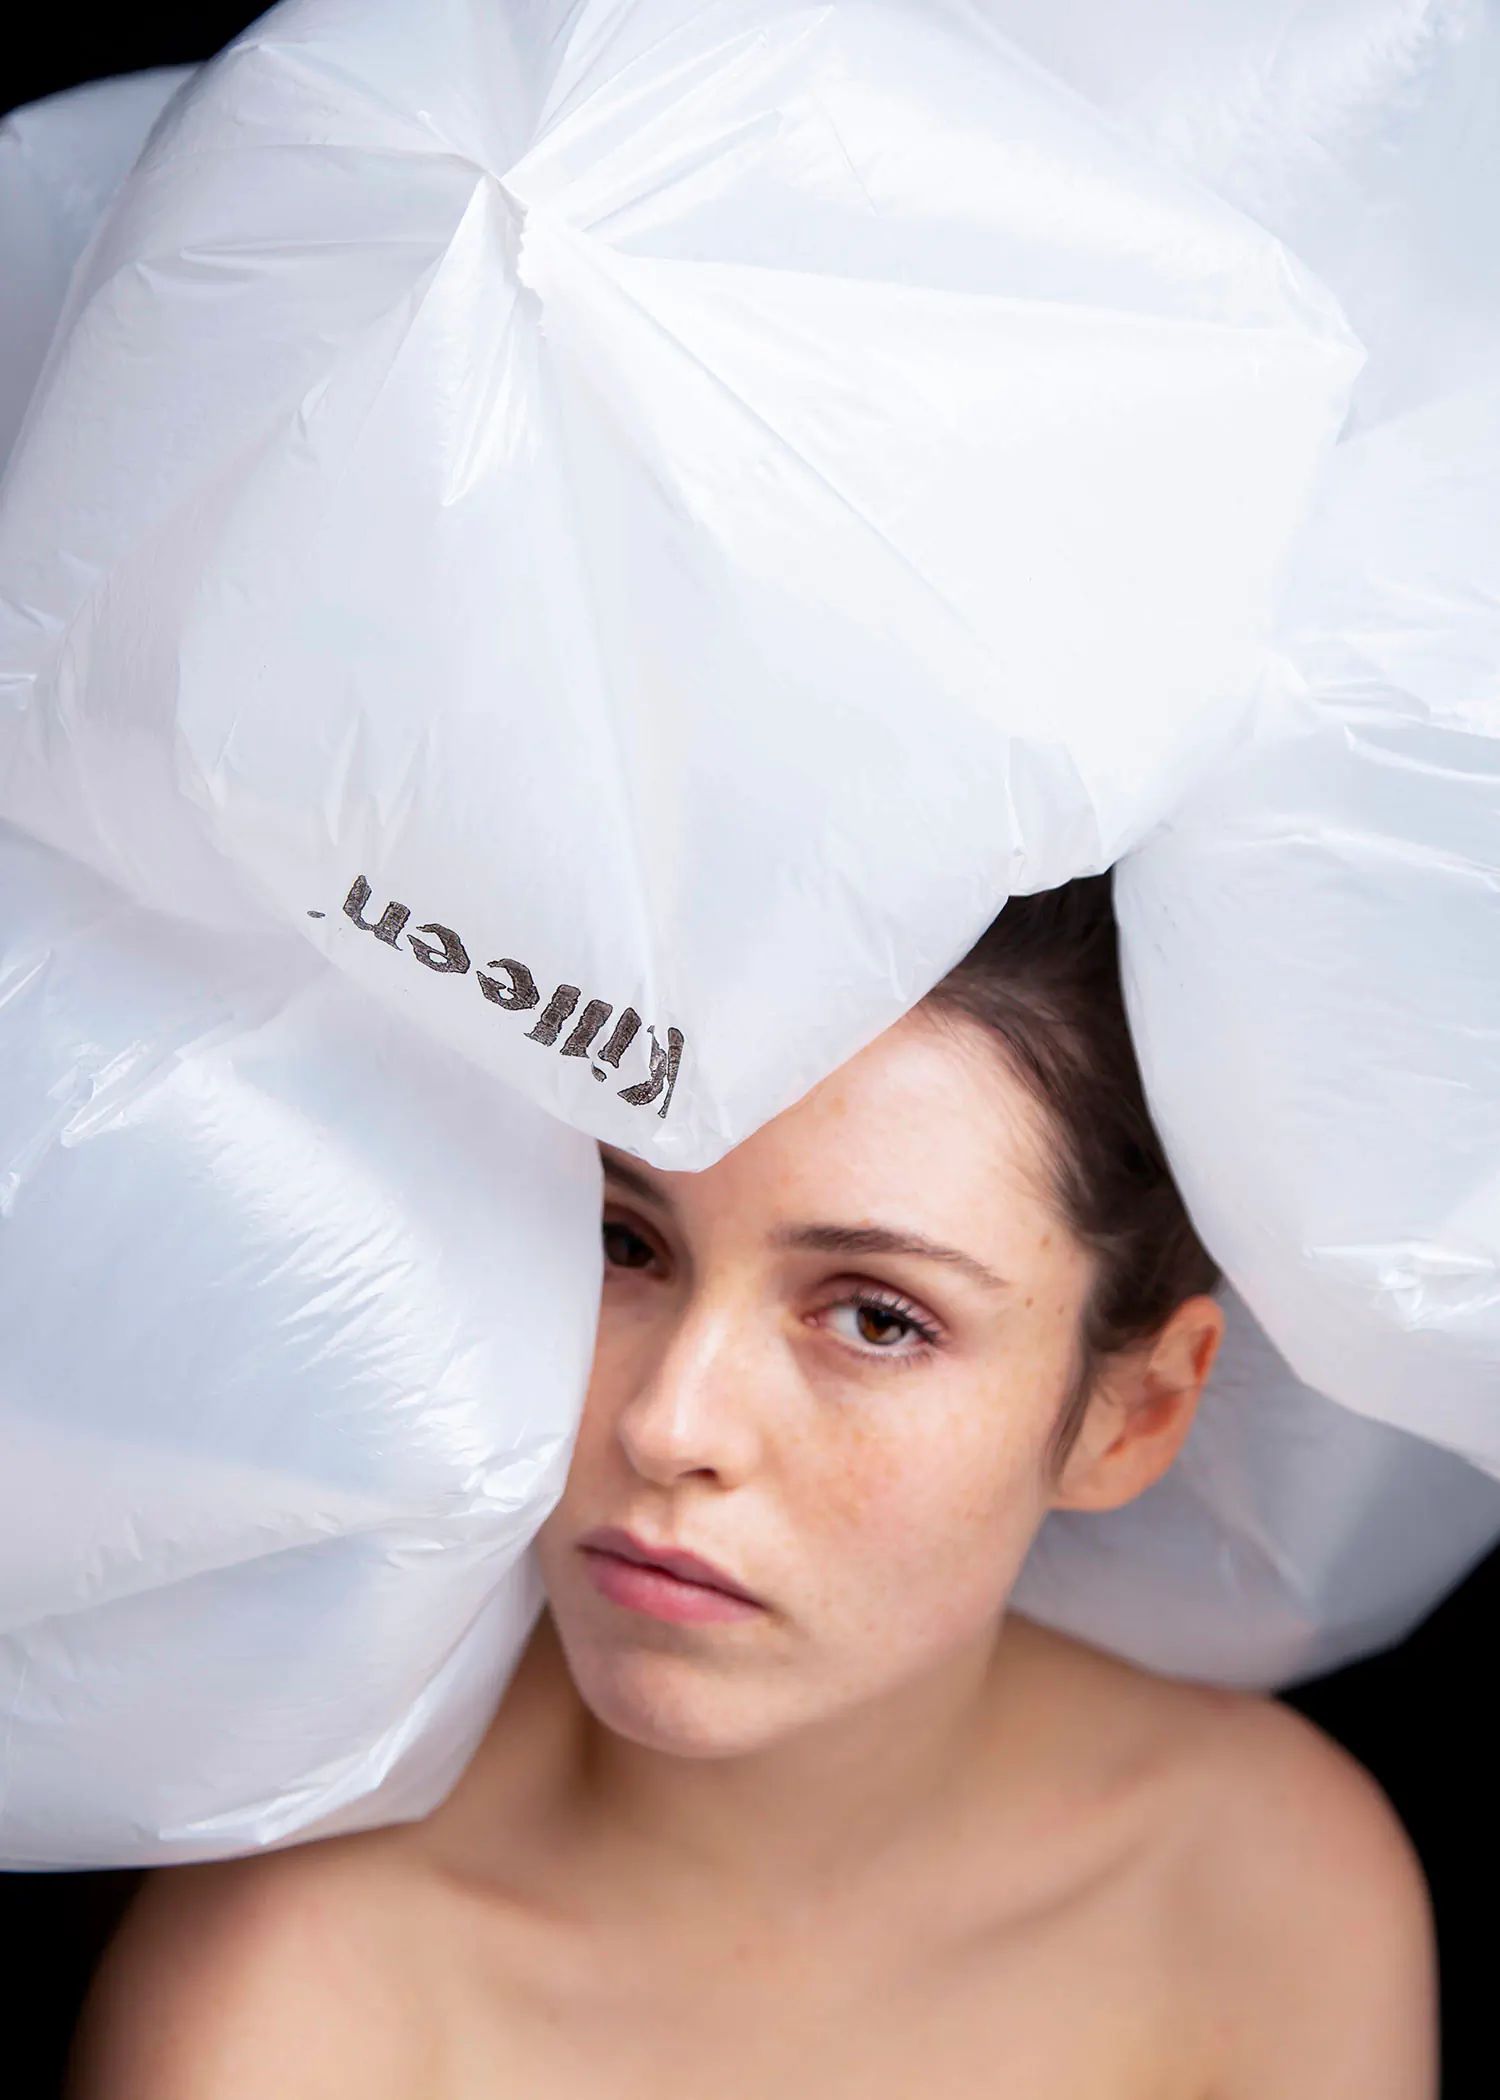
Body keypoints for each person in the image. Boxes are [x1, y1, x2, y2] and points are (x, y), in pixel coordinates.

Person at [70, 877, 1436, 2099]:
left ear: (1132, 1414)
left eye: (878, 1319)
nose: (670, 1424)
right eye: (623, 1241)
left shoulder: (1267, 1890)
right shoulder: (289, 1987)